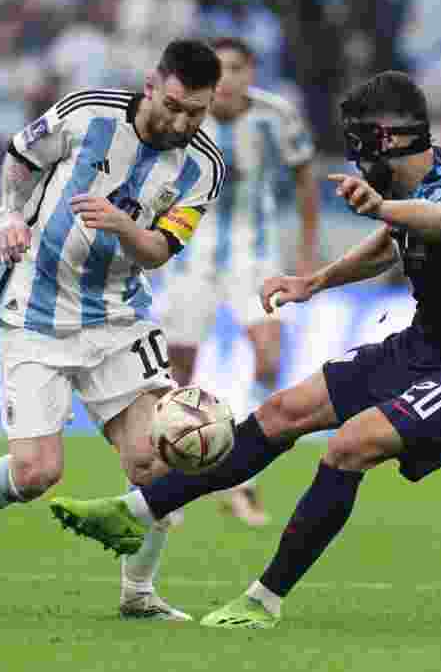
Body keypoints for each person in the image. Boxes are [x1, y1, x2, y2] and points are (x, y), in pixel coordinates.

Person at [49, 70, 441, 629]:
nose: (356, 151)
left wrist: (382, 208)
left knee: (350, 446)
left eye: (361, 138)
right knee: (282, 412)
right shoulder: (409, 186)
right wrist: (315, 282)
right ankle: (135, 511)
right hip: (425, 345)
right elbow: (391, 244)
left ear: (391, 137)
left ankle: (264, 600)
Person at [0, 40, 226, 623]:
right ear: (151, 85)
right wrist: (10, 215)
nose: (182, 121)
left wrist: (120, 224)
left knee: (158, 459)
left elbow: (158, 252)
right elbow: (20, 157)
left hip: (119, 316)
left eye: (197, 111)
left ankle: (138, 593)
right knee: (37, 474)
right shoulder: (87, 111)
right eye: (173, 105)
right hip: (34, 310)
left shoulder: (204, 168)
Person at [159, 36, 320, 527]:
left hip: (256, 256)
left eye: (236, 69)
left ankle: (240, 479)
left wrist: (307, 251)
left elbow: (304, 177)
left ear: (251, 73)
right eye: (219, 70)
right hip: (189, 254)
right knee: (177, 372)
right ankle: (167, 483)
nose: (227, 79)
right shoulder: (186, 113)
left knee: (270, 358)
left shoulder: (278, 116)